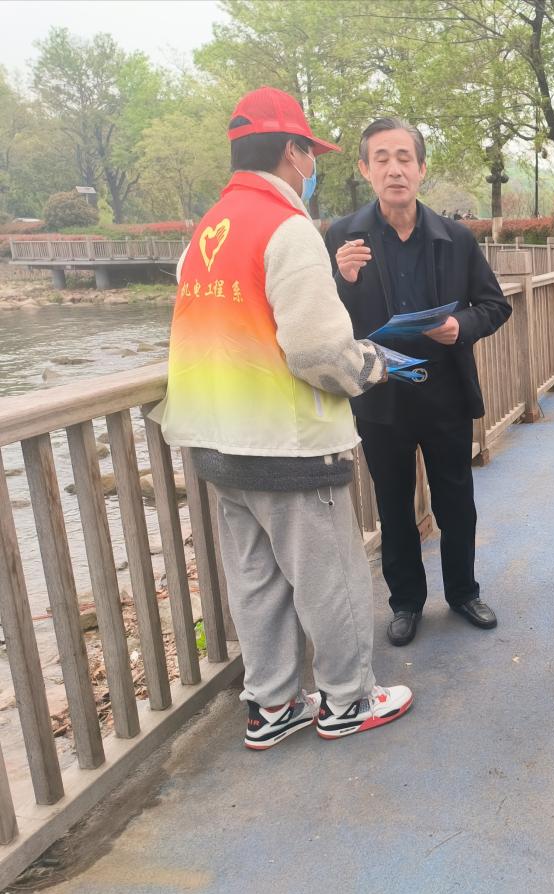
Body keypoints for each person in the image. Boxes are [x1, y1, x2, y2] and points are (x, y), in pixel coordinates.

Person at [152, 86, 412, 750]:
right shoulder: (287, 229)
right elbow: (319, 352)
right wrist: (371, 365)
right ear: (293, 152)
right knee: (332, 580)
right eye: (310, 152)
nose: (311, 166)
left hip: (216, 441)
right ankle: (349, 699)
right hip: (289, 445)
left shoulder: (207, 231)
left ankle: (271, 705)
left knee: (256, 580)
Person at [325, 118, 512, 647]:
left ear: (422, 169)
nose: (394, 169)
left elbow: (495, 305)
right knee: (393, 505)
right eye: (381, 158)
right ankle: (405, 602)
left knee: (457, 501)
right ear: (365, 169)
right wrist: (343, 279)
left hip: (444, 392)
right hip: (381, 397)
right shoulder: (343, 237)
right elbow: (324, 322)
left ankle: (463, 592)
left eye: (404, 158)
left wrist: (461, 327)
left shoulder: (455, 238)